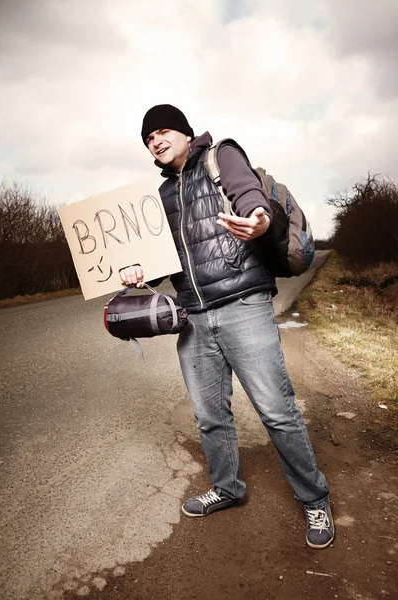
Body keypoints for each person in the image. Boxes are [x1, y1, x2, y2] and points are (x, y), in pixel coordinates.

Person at [120, 104, 335, 549]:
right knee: (210, 416)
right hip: (193, 317)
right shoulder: (158, 197)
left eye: (162, 132)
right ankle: (227, 487)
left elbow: (250, 197)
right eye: (148, 139)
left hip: (243, 304)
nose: (156, 141)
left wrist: (258, 220)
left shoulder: (221, 156)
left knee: (277, 410)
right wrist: (138, 275)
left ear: (183, 133)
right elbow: (165, 261)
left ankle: (314, 497)